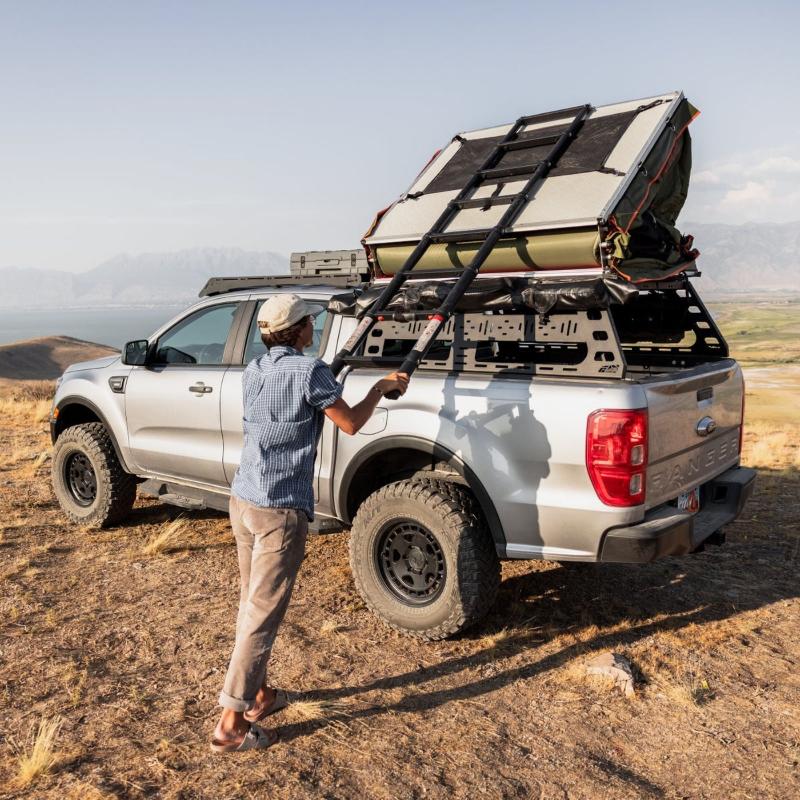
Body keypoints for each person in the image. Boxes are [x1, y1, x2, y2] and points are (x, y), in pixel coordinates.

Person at [211, 294, 408, 752]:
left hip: (244, 499)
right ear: (298, 329)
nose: (313, 330)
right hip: (279, 510)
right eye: (309, 324)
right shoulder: (310, 371)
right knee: (261, 617)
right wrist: (379, 390)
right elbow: (351, 423)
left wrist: (326, 380)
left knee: (250, 604)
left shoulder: (257, 369)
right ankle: (230, 724)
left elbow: (294, 398)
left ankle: (259, 695)